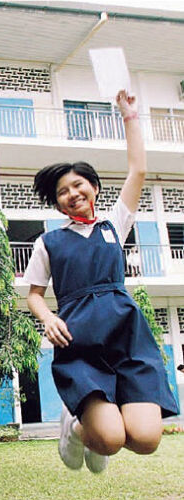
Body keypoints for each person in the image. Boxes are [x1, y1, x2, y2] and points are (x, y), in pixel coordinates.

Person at [23, 91, 179, 475]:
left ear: (93, 186)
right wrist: (48, 318)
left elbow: (138, 170)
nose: (72, 193)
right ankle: (77, 428)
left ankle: (92, 427)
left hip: (126, 334)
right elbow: (34, 294)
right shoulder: (49, 241)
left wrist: (130, 116)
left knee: (145, 439)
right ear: (58, 204)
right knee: (109, 439)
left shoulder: (114, 224)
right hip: (80, 340)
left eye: (78, 185)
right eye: (63, 192)